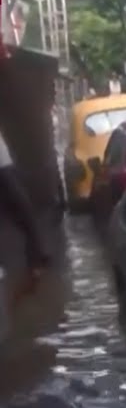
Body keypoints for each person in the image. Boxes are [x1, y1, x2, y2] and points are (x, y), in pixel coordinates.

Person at [0, 127, 51, 307]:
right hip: (4, 170)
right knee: (24, 211)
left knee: (25, 212)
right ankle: (36, 258)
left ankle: (36, 258)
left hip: (6, 167)